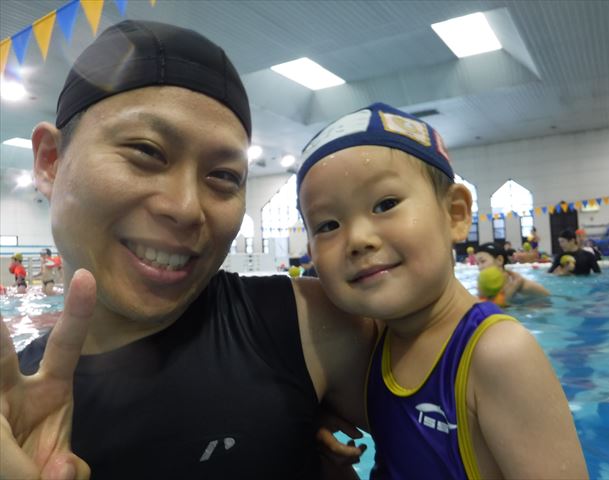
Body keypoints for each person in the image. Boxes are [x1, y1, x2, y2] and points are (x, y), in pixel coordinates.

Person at [1, 20, 377, 480]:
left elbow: (450, 413)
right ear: (50, 161)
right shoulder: (10, 409)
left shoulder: (307, 325)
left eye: (223, 176)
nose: (185, 208)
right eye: (146, 151)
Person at [296, 102, 587, 479]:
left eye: (386, 204)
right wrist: (310, 423)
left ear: (455, 214)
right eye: (327, 225)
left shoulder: (497, 355)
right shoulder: (372, 347)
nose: (358, 239)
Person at [475, 242, 549, 303]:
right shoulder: (483, 286)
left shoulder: (522, 284)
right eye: (477, 263)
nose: (479, 267)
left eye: (483, 261)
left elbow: (547, 300)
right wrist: (509, 293)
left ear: (499, 260)